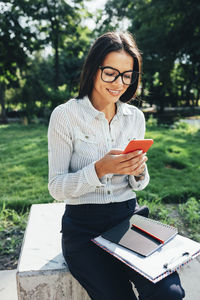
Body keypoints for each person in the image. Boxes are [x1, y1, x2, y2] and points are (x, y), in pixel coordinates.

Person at [48, 32, 185, 300]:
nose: (119, 83)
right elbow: (56, 187)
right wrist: (100, 169)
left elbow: (141, 183)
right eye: (111, 72)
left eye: (127, 75)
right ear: (94, 68)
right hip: (84, 227)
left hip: (128, 219)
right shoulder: (65, 116)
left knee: (169, 293)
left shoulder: (134, 117)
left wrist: (138, 170)